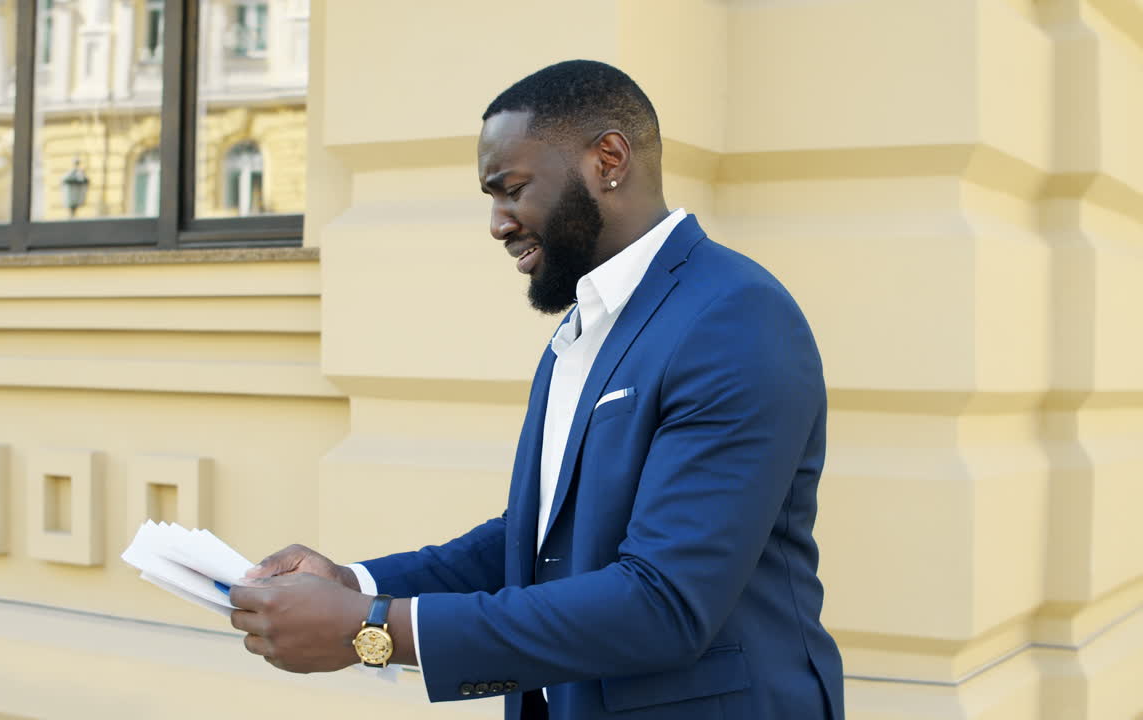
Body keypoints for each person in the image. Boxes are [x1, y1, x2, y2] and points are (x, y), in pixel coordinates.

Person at [228, 59, 844, 720]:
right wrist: (356, 582)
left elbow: (664, 604)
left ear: (608, 158)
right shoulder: (583, 329)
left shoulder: (734, 318)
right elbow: (535, 544)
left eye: (511, 188)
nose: (498, 224)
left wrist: (372, 628)